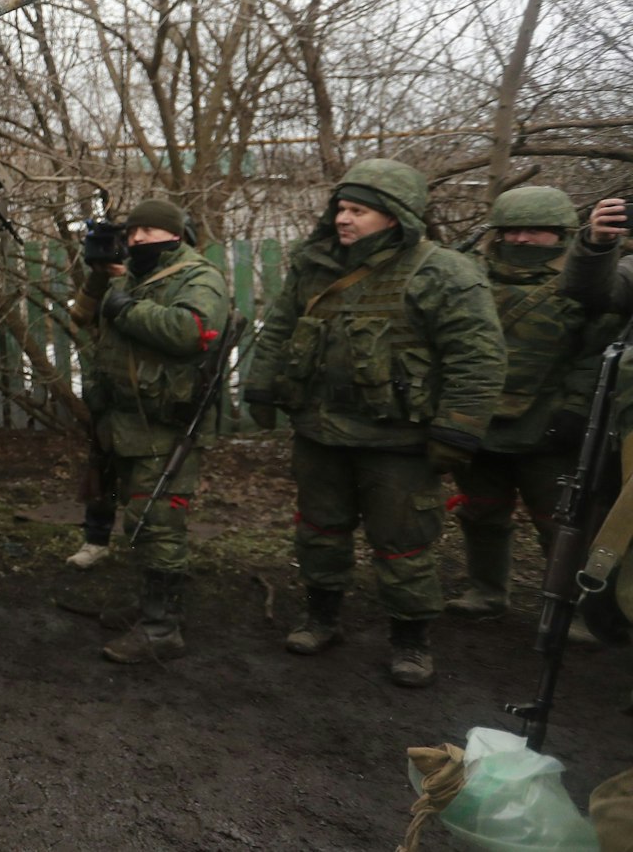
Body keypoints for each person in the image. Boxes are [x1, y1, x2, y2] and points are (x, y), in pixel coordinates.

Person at [242, 159, 503, 688]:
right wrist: (262, 384)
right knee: (319, 532)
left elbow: (478, 357)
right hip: (320, 432)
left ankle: (411, 641)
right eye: (341, 208)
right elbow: (282, 329)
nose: (343, 219)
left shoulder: (442, 271)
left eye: (358, 210)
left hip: (399, 442)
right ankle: (322, 619)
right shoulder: (314, 265)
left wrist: (457, 429)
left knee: (403, 543)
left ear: (395, 216)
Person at [67, 199, 232, 662]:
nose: (138, 238)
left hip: (166, 423)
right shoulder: (133, 276)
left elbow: (191, 329)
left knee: (158, 527)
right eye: (133, 231)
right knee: (139, 520)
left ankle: (162, 629)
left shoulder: (198, 277)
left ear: (175, 234)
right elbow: (82, 317)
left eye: (149, 231)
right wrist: (103, 278)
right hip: (126, 421)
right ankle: (148, 608)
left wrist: (125, 309)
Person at [447, 187, 615, 619]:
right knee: (481, 513)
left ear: (561, 234)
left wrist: (576, 408)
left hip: (548, 425)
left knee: (560, 524)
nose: (521, 239)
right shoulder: (469, 278)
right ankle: (486, 591)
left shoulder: (589, 284)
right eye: (512, 230)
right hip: (479, 419)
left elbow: (597, 353)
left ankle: (577, 610)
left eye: (535, 230)